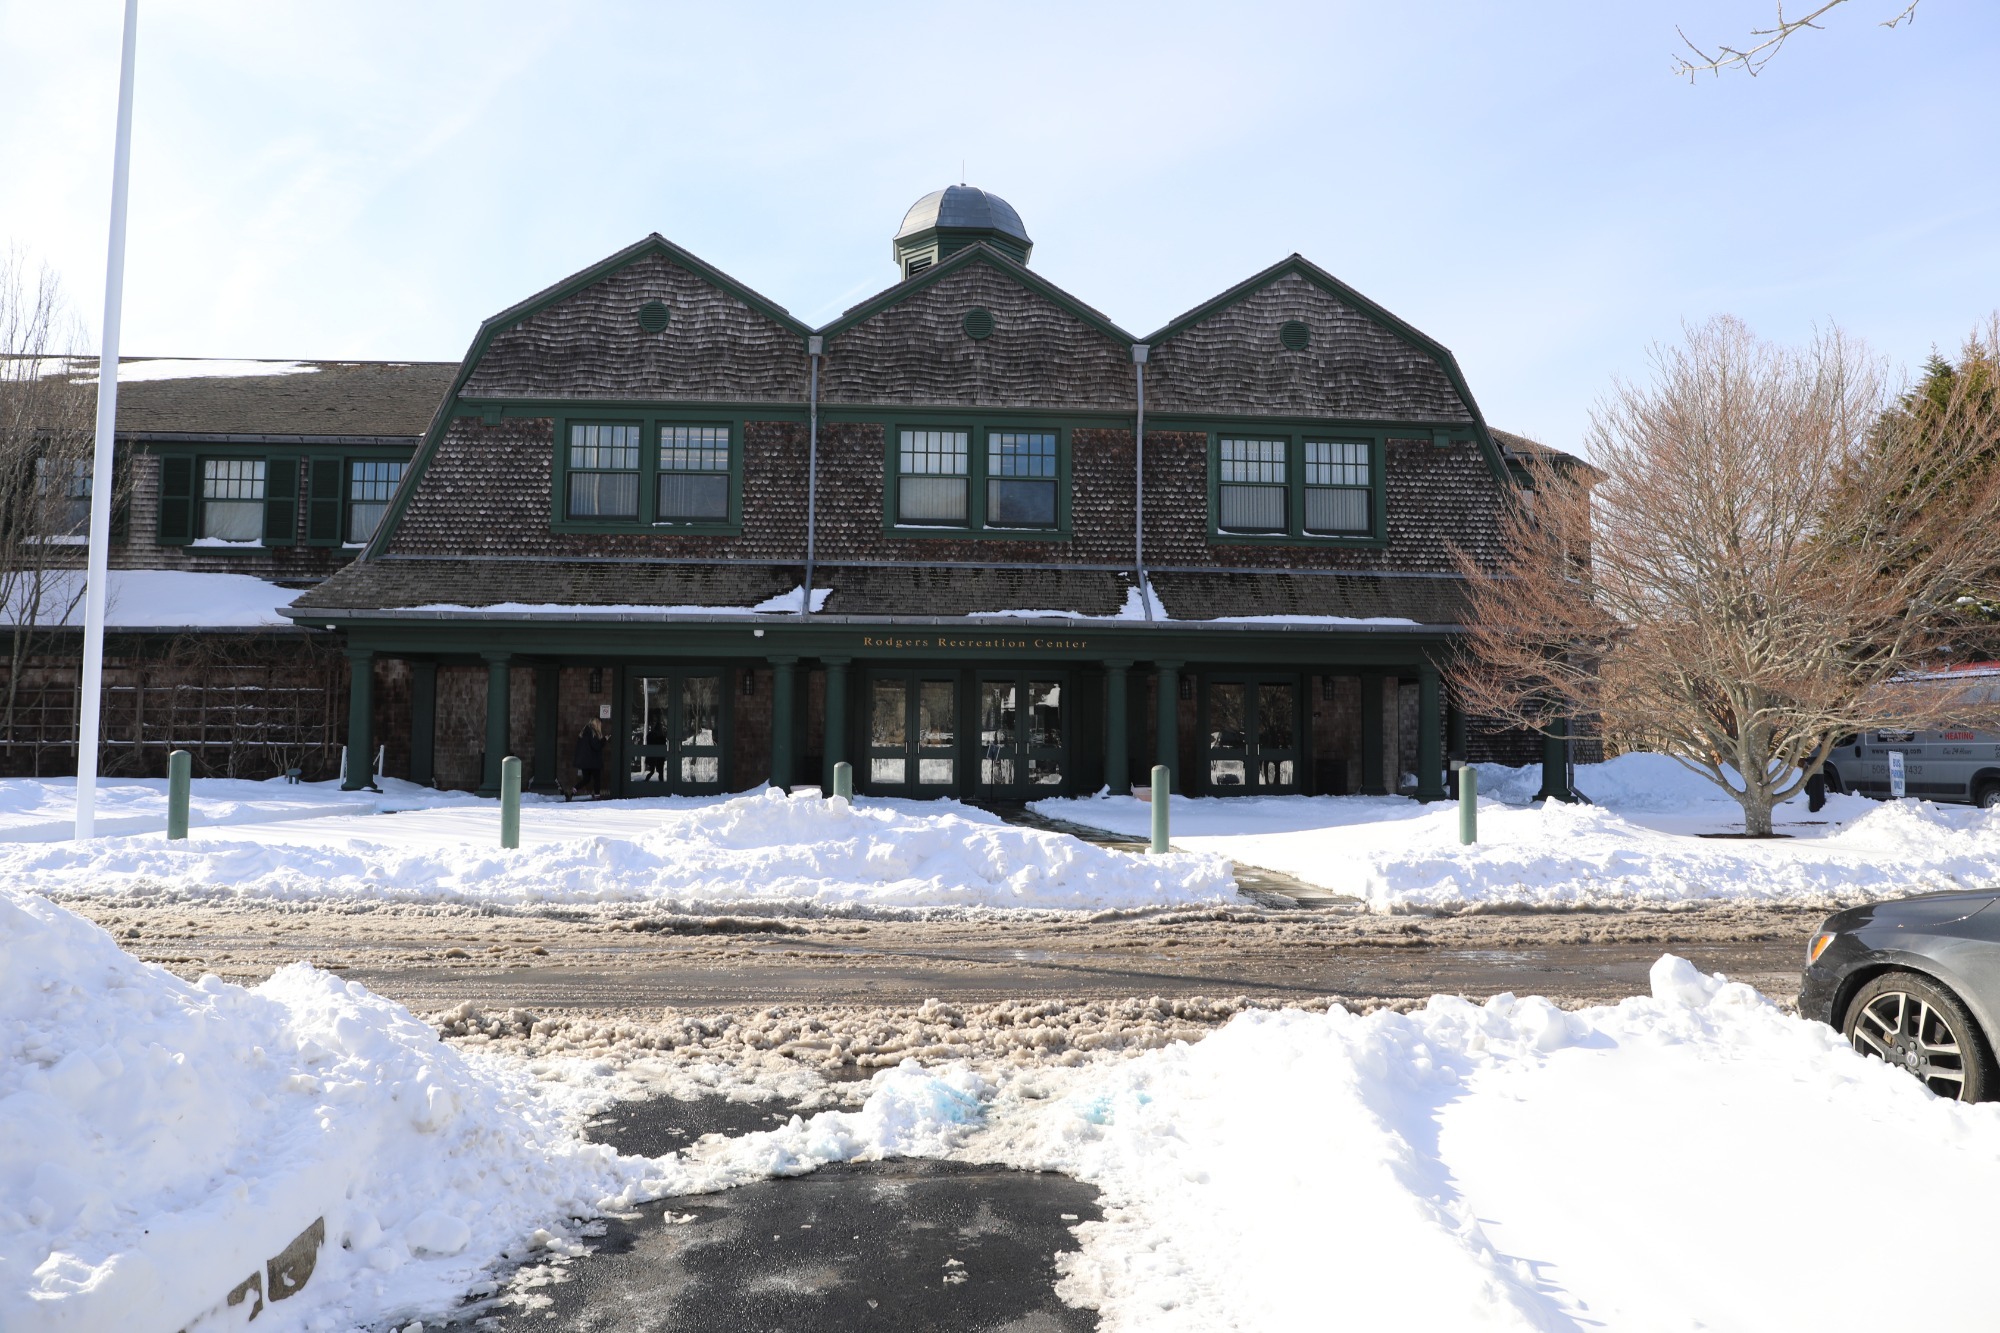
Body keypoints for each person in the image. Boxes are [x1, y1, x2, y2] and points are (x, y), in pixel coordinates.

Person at [572, 718, 606, 800]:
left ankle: (575, 789)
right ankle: (597, 795)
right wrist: (604, 740)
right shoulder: (592, 732)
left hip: (584, 761)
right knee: (596, 778)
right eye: (600, 724)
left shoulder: (584, 732)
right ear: (597, 724)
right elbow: (596, 746)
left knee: (586, 779)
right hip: (593, 761)